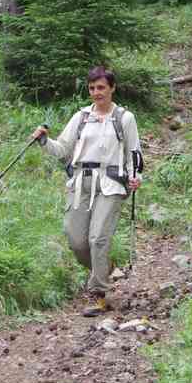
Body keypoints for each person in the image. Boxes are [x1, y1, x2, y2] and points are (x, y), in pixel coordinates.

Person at [33, 66, 143, 316]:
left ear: (112, 88)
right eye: (92, 88)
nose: (96, 92)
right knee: (76, 241)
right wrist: (44, 140)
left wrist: (136, 177)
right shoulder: (81, 117)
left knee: (98, 239)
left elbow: (134, 152)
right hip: (80, 182)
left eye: (101, 87)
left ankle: (100, 295)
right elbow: (62, 148)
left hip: (111, 183)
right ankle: (107, 267)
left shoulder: (125, 118)